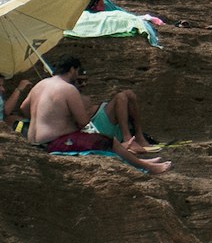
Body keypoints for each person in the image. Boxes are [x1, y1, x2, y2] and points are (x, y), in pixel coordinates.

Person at [27, 58, 170, 175]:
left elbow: (23, 108)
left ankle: (144, 163)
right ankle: (146, 167)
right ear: (72, 70)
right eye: (78, 73)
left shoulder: (40, 85)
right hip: (53, 143)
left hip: (33, 141)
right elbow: (83, 122)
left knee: (107, 141)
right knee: (108, 141)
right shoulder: (67, 88)